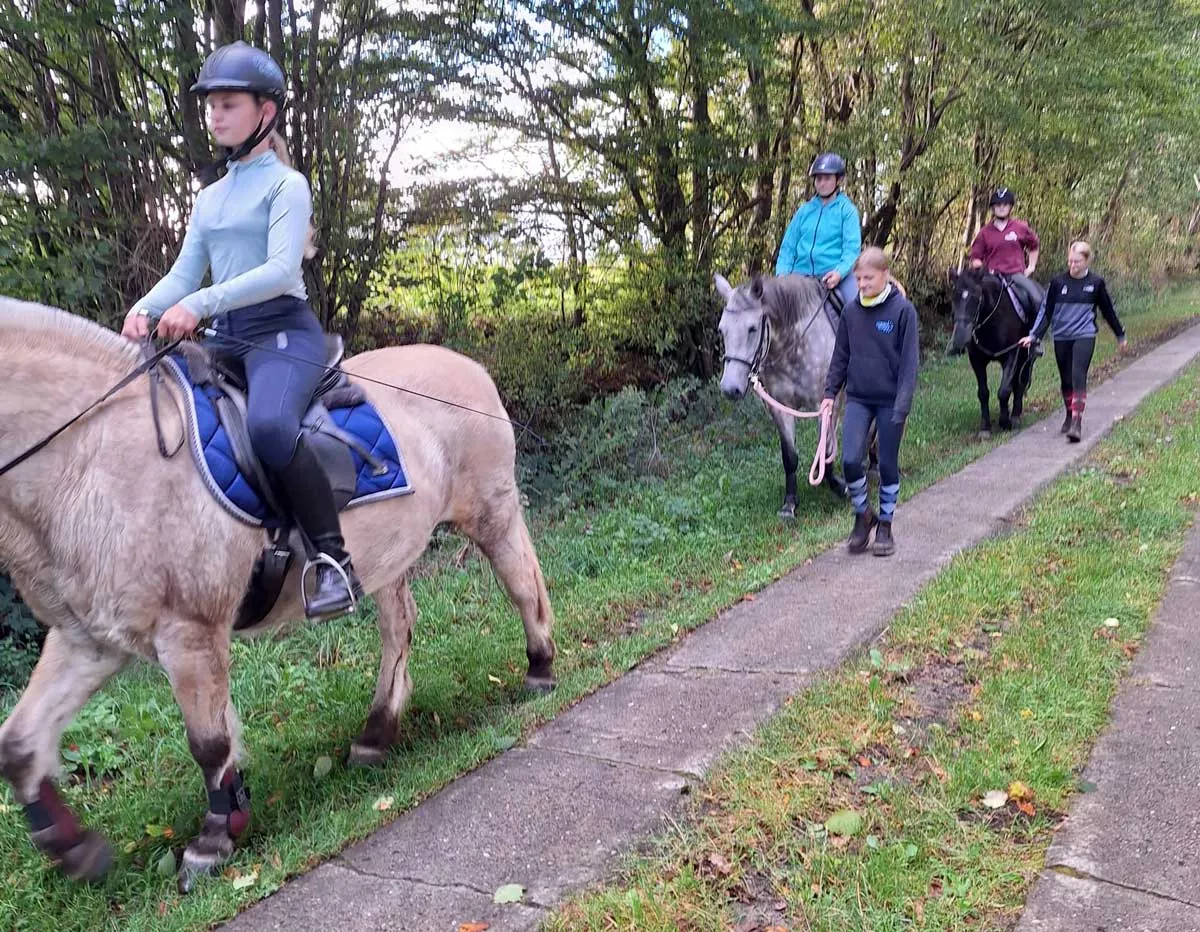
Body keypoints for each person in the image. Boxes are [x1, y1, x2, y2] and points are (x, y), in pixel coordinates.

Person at [121, 41, 361, 620]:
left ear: (266, 112)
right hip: (226, 337)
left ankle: (333, 562)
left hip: (283, 331)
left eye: (229, 103)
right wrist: (143, 308)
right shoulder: (209, 197)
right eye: (211, 105)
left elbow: (280, 270)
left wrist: (199, 304)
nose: (216, 114)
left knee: (272, 426)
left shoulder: (287, 186)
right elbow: (184, 273)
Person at [819, 247, 920, 557]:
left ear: (885, 275)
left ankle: (886, 525)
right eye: (858, 278)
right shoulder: (851, 311)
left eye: (868, 278)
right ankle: (864, 516)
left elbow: (909, 364)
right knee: (850, 460)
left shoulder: (903, 311)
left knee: (887, 465)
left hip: (891, 401)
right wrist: (829, 393)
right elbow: (841, 356)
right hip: (859, 398)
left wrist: (902, 405)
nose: (862, 284)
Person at [1019, 241, 1126, 443]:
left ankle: (1076, 423)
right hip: (1062, 336)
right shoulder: (1058, 283)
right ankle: (1069, 414)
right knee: (1066, 379)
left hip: (1084, 335)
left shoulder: (1096, 283)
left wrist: (1120, 334)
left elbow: (1108, 311)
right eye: (1070, 261)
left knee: (1078, 375)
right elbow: (1046, 312)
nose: (1072, 265)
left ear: (1087, 261)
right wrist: (1033, 335)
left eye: (1077, 261)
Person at [776, 152, 862, 311]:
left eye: (827, 178)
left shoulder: (847, 211)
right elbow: (788, 247)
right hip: (799, 277)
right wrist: (782, 274)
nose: (822, 183)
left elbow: (852, 250)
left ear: (838, 180)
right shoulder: (803, 211)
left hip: (833, 275)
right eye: (818, 178)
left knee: (856, 307)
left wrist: (838, 273)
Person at [968, 187, 1043, 317]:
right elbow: (975, 257)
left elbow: (1034, 246)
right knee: (970, 302)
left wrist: (1031, 266)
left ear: (1010, 207)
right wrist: (981, 268)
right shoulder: (984, 232)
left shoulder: (1020, 227)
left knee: (1037, 299)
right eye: (998, 205)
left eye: (1005, 204)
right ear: (993, 208)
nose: (1001, 207)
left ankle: (1034, 334)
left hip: (1015, 275)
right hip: (993, 277)